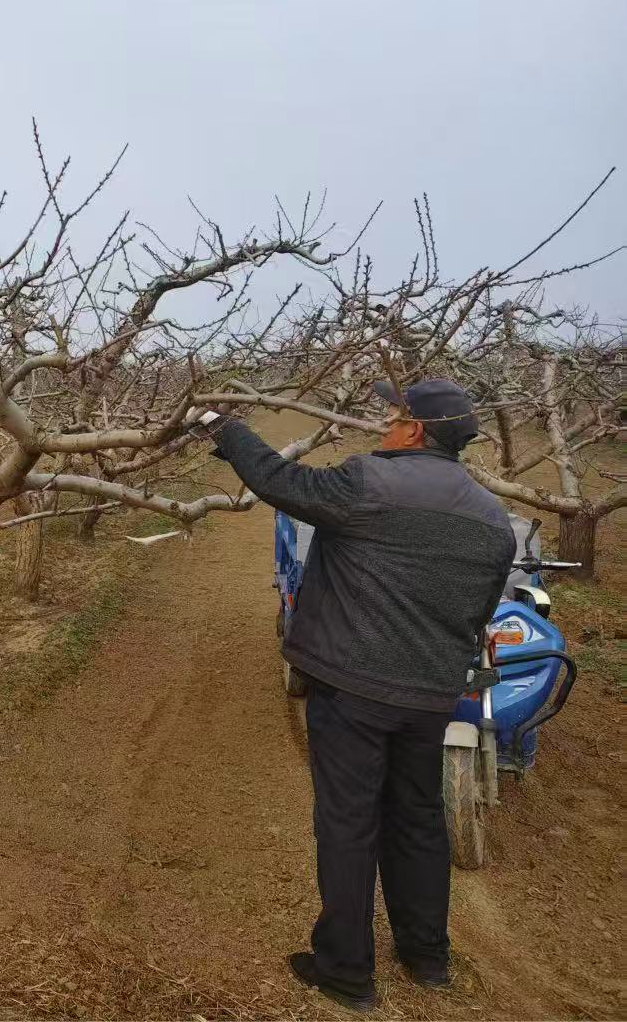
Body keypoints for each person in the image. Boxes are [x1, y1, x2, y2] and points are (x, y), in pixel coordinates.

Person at [195, 379, 515, 1012]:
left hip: (353, 688)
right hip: (429, 695)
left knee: (348, 822)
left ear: (416, 431)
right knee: (417, 818)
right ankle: (427, 956)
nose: (382, 428)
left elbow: (279, 482)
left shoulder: (369, 482)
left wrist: (223, 428)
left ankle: (345, 970)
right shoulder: (492, 517)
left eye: (392, 418)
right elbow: (478, 612)